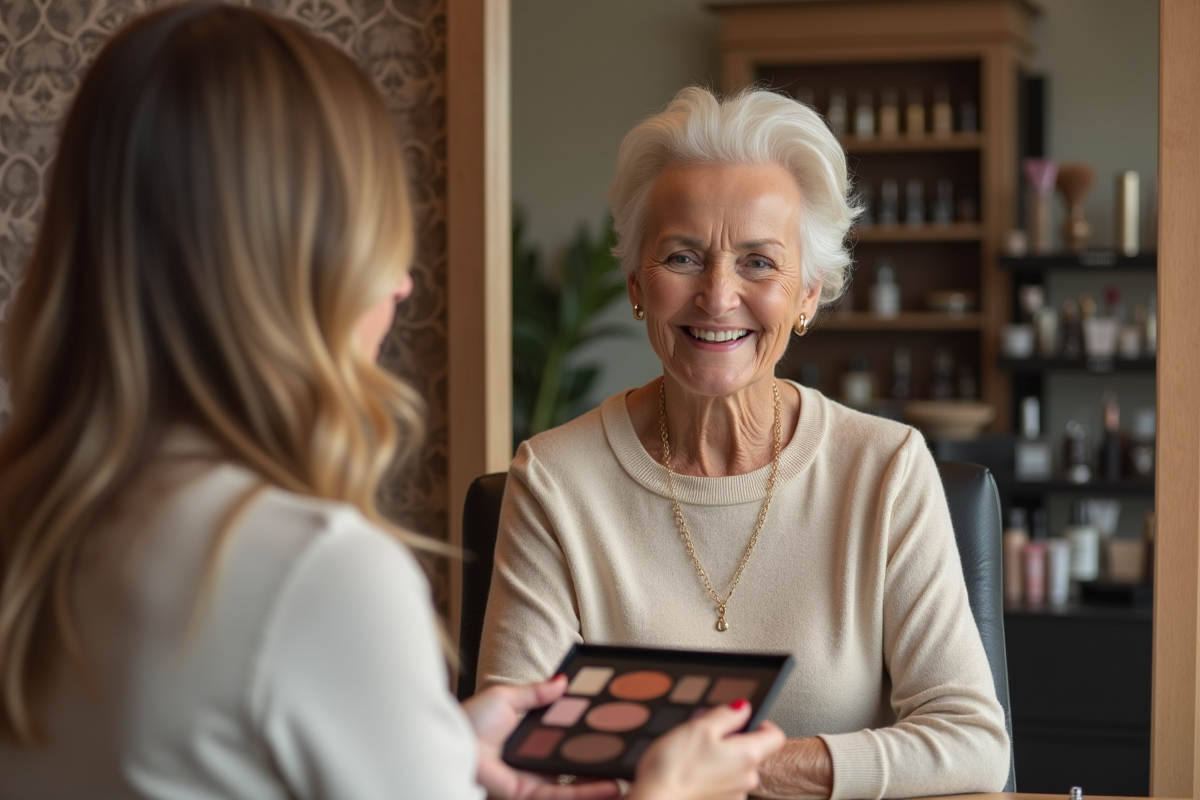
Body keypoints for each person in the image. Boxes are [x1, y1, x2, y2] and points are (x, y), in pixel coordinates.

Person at [0, 8, 785, 799]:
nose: (401, 283)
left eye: (759, 261)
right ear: (287, 263)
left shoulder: (32, 522)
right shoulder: (316, 574)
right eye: (376, 232)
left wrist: (430, 742)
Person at [478, 86, 1011, 800]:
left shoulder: (885, 468)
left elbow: (973, 743)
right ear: (636, 283)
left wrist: (740, 769)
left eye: (759, 262)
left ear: (808, 294)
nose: (719, 295)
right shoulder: (553, 477)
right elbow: (513, 761)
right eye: (683, 257)